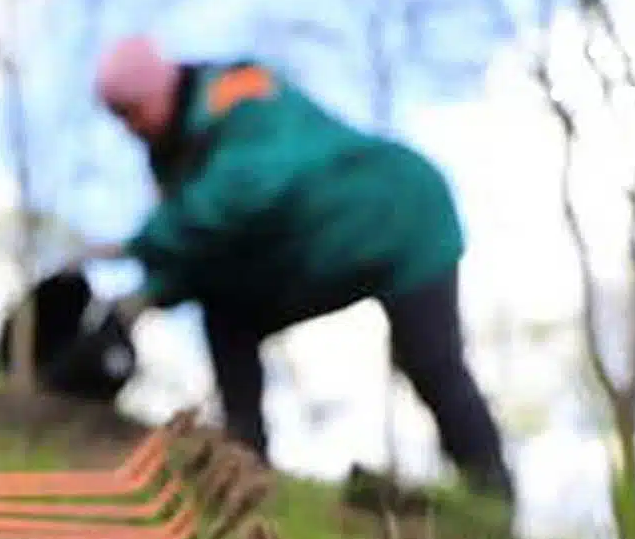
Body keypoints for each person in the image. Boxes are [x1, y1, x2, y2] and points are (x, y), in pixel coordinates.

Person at [73, 36, 515, 504]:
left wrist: (136, 244)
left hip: (400, 218)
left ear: (163, 86)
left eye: (133, 110)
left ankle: (493, 499)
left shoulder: (239, 91)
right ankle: (246, 467)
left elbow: (245, 189)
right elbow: (204, 252)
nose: (131, 127)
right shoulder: (173, 153)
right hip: (318, 249)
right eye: (120, 118)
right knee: (227, 312)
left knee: (430, 359)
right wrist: (139, 302)